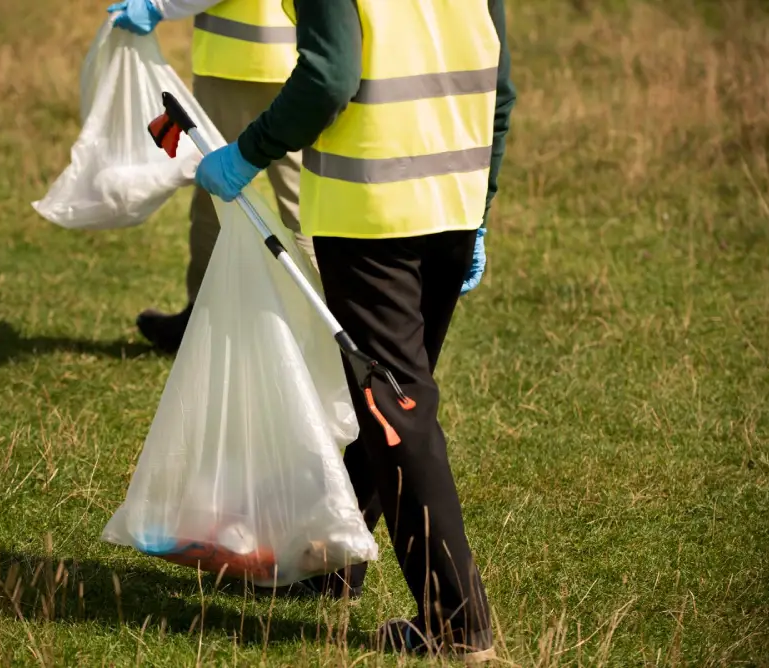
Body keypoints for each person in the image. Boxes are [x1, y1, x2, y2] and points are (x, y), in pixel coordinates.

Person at [193, 0, 516, 660]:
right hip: (452, 196)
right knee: (395, 402)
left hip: (371, 210)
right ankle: (333, 560)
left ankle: (458, 623)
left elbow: (329, 76)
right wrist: (480, 207)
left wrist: (248, 152)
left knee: (397, 409)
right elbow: (501, 84)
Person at [106, 0, 316, 353]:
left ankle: (201, 320)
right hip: (300, 64)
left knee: (214, 197)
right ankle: (337, 324)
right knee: (306, 204)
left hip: (237, 64)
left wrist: (158, 5)